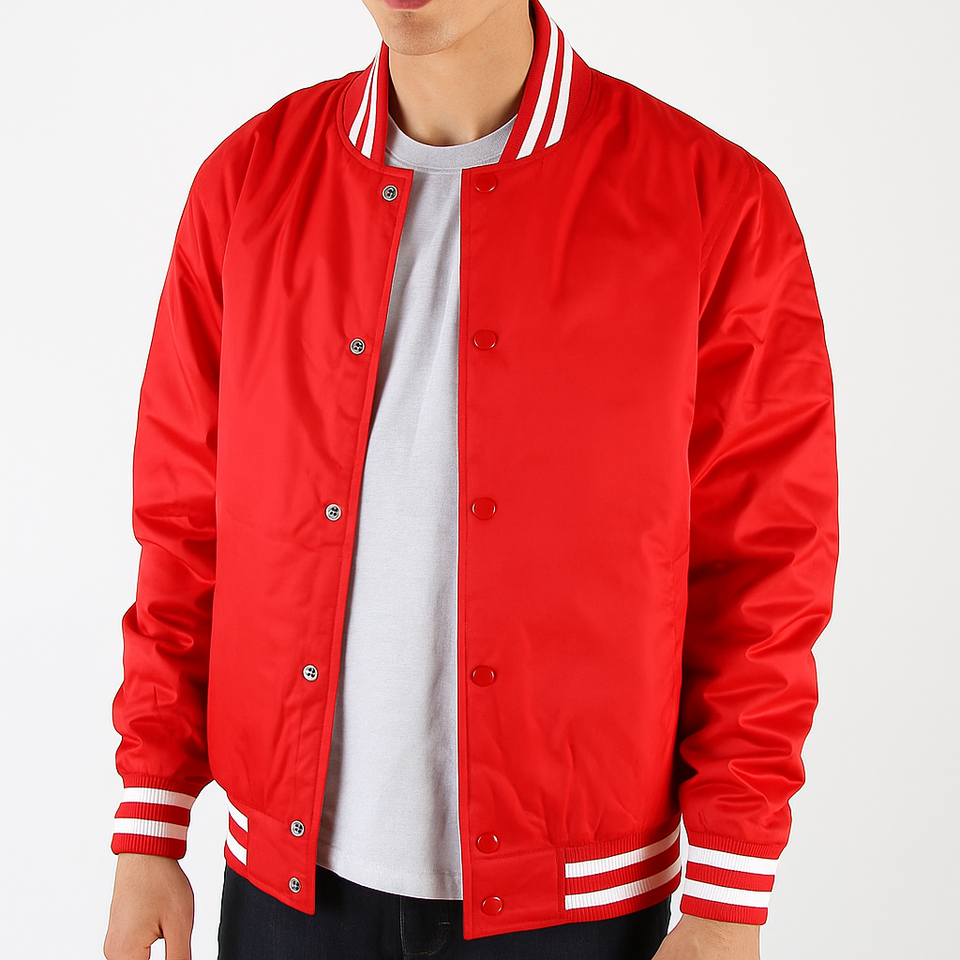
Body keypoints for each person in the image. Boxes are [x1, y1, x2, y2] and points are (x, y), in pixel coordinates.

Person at [103, 0, 839, 957]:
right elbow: (185, 526)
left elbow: (765, 571)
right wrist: (151, 819)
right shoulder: (249, 184)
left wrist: (728, 895)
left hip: (577, 906)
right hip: (284, 887)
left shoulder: (713, 203)